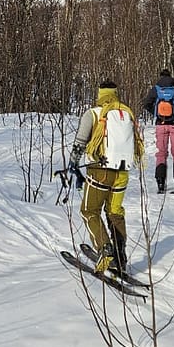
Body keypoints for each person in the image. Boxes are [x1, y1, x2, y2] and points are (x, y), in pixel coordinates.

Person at [70, 79, 145, 276]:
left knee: (89, 211)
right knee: (115, 212)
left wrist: (73, 163)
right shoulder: (126, 113)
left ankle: (105, 249)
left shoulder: (93, 113)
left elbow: (80, 141)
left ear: (100, 93)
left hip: (100, 171)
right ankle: (121, 257)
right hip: (122, 172)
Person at [140, 69, 174, 193]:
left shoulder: (156, 90)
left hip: (161, 125)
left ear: (160, 77)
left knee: (161, 154)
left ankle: (160, 184)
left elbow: (146, 104)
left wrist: (157, 114)